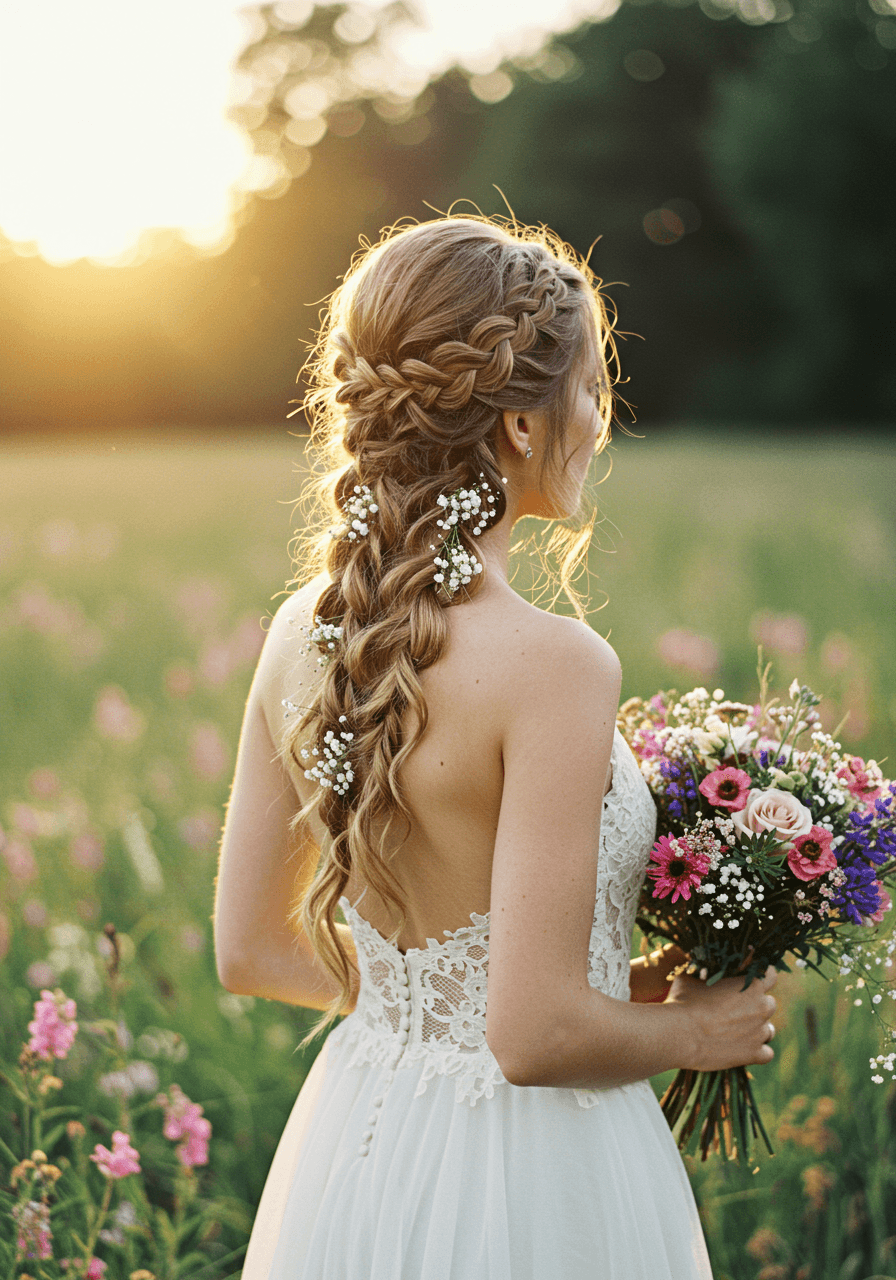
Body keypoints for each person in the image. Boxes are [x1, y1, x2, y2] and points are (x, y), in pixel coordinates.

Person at [213, 214, 779, 1279]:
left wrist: (435, 1010)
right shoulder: (554, 664)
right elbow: (533, 1036)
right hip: (529, 1177)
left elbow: (251, 951)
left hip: (361, 1136)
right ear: (520, 424)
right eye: (587, 392)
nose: (597, 424)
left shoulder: (302, 632)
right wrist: (698, 1031)